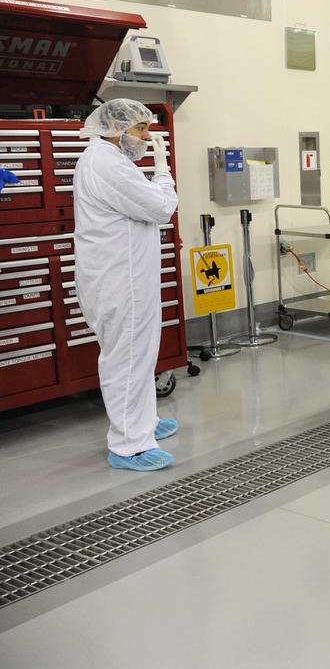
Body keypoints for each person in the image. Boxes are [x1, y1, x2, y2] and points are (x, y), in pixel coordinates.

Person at [72, 99, 180, 471]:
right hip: (121, 280)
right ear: (117, 130)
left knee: (137, 354)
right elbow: (161, 207)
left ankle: (143, 423)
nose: (147, 138)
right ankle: (128, 445)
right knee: (128, 358)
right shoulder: (107, 164)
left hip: (122, 276)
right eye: (141, 129)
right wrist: (164, 172)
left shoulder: (109, 160)